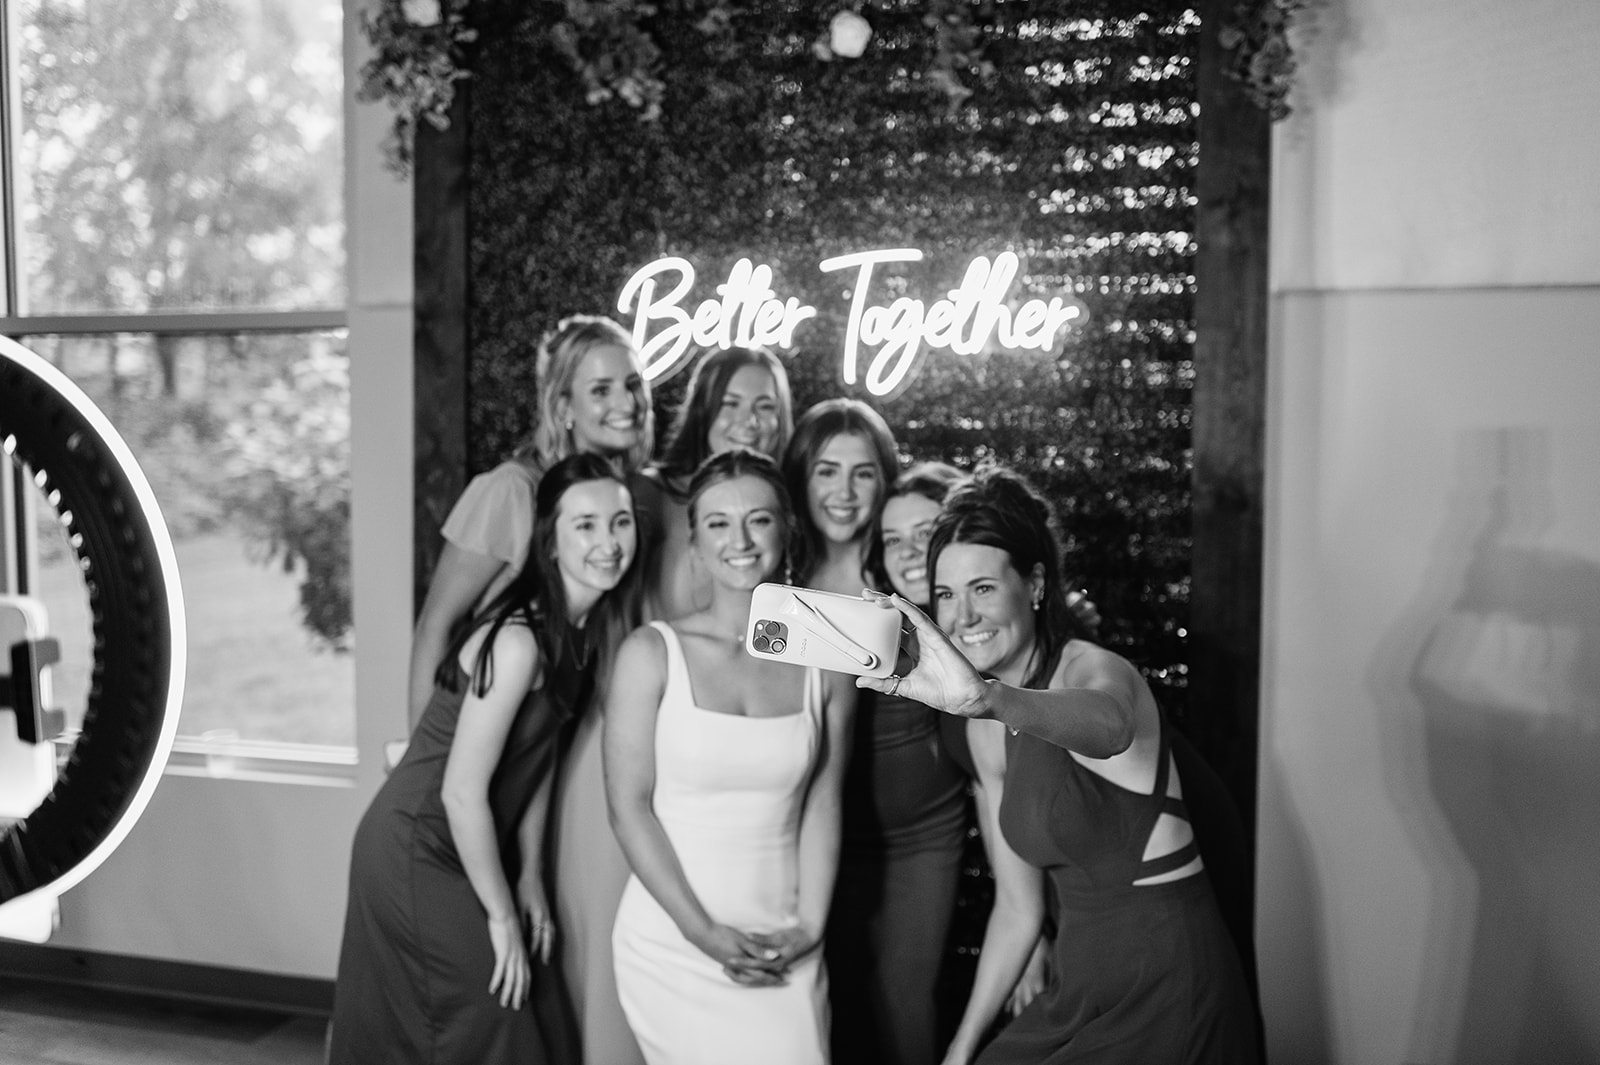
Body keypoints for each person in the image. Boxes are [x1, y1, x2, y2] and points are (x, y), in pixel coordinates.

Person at [858, 465, 1261, 1065]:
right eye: (946, 594)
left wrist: (990, 699)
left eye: (984, 588)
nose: (963, 616)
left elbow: (1111, 726)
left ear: (1036, 584)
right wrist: (961, 1049)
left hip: (1170, 983)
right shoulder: (988, 729)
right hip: (1081, 987)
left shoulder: (1092, 670)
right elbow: (1018, 911)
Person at [329, 453, 642, 1065]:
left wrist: (528, 878)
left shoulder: (582, 633)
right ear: (549, 539)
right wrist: (500, 917)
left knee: (538, 1008)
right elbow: (460, 793)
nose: (608, 542)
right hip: (416, 848)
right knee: (496, 1016)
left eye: (621, 522)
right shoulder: (519, 641)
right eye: (585, 525)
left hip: (473, 847)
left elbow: (540, 758)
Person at [402, 313, 654, 1065]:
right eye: (600, 387)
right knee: (483, 997)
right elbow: (434, 630)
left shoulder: (618, 502)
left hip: (537, 768)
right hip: (460, 783)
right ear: (561, 404)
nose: (625, 401)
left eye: (633, 384)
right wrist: (419, 762)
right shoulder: (510, 492)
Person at [605, 449, 856, 1065]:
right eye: (718, 522)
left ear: (786, 530)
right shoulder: (650, 653)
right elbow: (628, 808)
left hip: (787, 942)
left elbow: (825, 796)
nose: (739, 539)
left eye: (759, 519)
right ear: (694, 542)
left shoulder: (828, 656)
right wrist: (703, 934)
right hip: (673, 944)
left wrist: (812, 927)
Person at [641, 345, 794, 621]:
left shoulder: (792, 505)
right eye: (730, 403)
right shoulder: (651, 494)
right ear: (703, 410)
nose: (748, 421)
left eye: (765, 405)